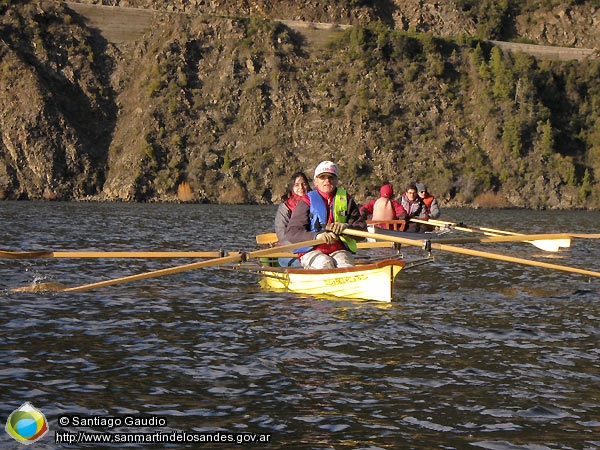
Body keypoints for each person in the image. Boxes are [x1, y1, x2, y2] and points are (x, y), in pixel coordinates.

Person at [285, 161, 367, 269]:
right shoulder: (306, 201)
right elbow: (292, 233)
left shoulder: (347, 200)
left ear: (336, 180)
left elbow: (362, 230)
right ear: (316, 181)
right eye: (322, 177)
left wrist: (346, 226)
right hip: (312, 250)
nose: (327, 181)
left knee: (345, 266)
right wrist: (317, 236)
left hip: (339, 249)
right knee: (325, 263)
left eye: (331, 177)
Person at [274, 172, 311, 267]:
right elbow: (282, 235)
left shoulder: (316, 203)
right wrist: (301, 249)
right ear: (292, 187)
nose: (301, 188)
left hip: (313, 248)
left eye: (304, 184)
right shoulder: (285, 207)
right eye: (297, 185)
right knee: (304, 264)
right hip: (290, 251)